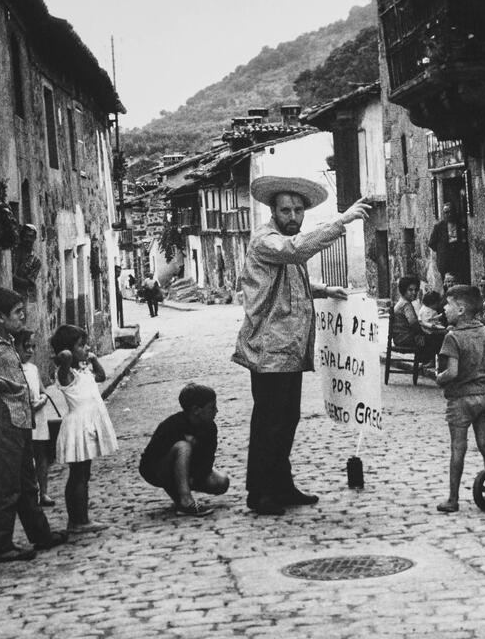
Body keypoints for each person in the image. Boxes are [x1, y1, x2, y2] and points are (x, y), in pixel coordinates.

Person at [231, 175, 371, 516]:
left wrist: (323, 290)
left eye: (298, 210)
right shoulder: (266, 240)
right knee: (269, 422)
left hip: (290, 350)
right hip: (268, 350)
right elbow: (293, 251)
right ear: (272, 211)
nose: (293, 216)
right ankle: (259, 492)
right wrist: (341, 221)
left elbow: (291, 284)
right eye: (286, 210)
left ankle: (281, 485)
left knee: (287, 419)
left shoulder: (285, 242)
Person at [0, 287, 66, 563]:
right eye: (18, 313)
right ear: (0, 317)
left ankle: (40, 534)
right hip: (1, 420)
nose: (22, 317)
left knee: (26, 483)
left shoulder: (7, 341)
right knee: (5, 486)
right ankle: (1, 547)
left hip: (17, 420)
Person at [434, 284, 485, 513]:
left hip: (461, 399)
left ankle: (453, 498)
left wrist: (439, 378)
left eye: (448, 305)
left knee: (458, 447)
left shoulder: (452, 337)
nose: (444, 309)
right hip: (484, 395)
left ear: (460, 310)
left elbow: (451, 373)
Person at [52, 324, 118, 533]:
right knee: (78, 475)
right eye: (82, 345)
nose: (87, 348)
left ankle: (81, 518)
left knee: (83, 474)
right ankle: (77, 521)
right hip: (78, 427)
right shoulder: (66, 374)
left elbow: (101, 376)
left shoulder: (84, 369)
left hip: (88, 423)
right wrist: (65, 357)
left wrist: (93, 358)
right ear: (69, 351)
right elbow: (64, 361)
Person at [139, 383, 229, 517]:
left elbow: (207, 460)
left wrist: (196, 477)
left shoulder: (210, 427)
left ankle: (181, 493)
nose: (216, 411)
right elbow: (152, 459)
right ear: (196, 410)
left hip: (188, 471)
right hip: (157, 470)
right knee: (183, 447)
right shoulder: (171, 425)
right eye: (212, 407)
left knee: (222, 482)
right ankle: (186, 500)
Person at [15, 330, 55, 507]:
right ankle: (28, 493)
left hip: (38, 416)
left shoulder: (33, 369)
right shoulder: (13, 369)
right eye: (26, 347)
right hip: (23, 418)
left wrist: (43, 399)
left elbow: (42, 391)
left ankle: (44, 492)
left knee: (41, 455)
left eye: (32, 347)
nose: (30, 351)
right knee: (25, 456)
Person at [391, 275, 444, 365]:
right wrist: (424, 333)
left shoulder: (401, 302)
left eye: (416, 290)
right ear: (403, 290)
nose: (414, 293)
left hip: (400, 338)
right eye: (410, 290)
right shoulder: (406, 305)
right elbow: (414, 324)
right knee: (437, 337)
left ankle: (428, 361)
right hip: (405, 339)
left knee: (431, 336)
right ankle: (432, 362)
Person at [428, 202, 470, 285]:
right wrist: (442, 250)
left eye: (451, 211)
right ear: (444, 214)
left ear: (455, 212)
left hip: (458, 260)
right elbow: (432, 243)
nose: (449, 214)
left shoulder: (461, 225)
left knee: (459, 282)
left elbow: (464, 241)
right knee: (447, 283)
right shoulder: (439, 227)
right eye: (446, 212)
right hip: (445, 261)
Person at [12, 224, 41, 297]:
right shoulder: (12, 251)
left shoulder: (36, 260)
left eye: (31, 236)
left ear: (34, 238)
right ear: (21, 237)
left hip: (20, 295)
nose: (28, 239)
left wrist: (12, 278)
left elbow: (29, 283)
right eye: (25, 236)